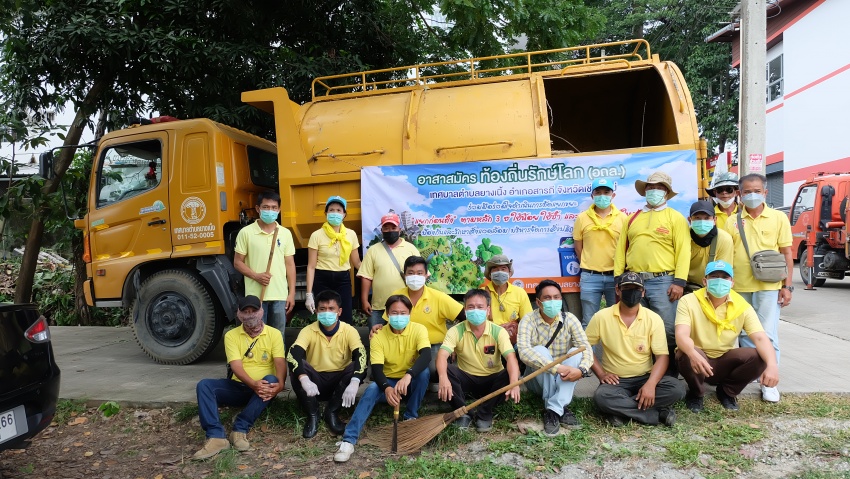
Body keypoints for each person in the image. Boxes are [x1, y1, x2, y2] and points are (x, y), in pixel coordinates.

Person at [334, 295, 431, 463]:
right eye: (394, 312)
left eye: (403, 313)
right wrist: (386, 387)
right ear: (387, 313)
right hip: (388, 382)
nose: (399, 317)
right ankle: (349, 440)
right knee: (372, 389)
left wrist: (408, 375)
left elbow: (426, 355)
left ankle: (410, 416)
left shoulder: (419, 329)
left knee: (424, 373)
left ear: (409, 313)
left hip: (409, 382)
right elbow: (377, 369)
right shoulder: (378, 335)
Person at [723, 173, 793, 403]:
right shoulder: (732, 221)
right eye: (747, 191)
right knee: (745, 334)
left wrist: (787, 286)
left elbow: (787, 253)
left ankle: (770, 381)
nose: (752, 195)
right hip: (739, 287)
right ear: (739, 194)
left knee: (767, 333)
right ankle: (752, 372)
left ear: (765, 192)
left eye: (756, 191)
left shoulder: (778, 218)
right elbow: (726, 255)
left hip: (769, 286)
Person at [675, 260, 780, 412]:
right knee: (684, 352)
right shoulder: (689, 301)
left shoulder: (742, 306)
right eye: (714, 276)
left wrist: (772, 365)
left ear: (732, 283)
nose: (719, 281)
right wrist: (692, 353)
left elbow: (760, 338)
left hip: (724, 361)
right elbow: (681, 334)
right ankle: (696, 393)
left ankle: (727, 392)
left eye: (724, 277)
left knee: (759, 356)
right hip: (697, 361)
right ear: (705, 281)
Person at [586, 272, 685, 427]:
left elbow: (662, 357)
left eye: (636, 289)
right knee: (602, 397)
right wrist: (601, 374)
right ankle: (657, 414)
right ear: (618, 290)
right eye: (627, 288)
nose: (632, 292)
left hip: (645, 376)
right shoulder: (601, 317)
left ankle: (619, 411)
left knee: (676, 389)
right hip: (616, 381)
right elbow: (584, 347)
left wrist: (651, 384)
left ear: (643, 292)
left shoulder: (653, 318)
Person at [193, 296, 285, 459]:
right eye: (246, 312)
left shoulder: (274, 334)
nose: (250, 315)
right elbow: (236, 367)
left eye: (254, 311)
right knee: (204, 385)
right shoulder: (231, 335)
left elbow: (280, 362)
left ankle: (240, 429)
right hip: (239, 387)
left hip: (263, 390)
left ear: (261, 311)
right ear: (239, 314)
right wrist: (253, 384)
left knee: (272, 380)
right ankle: (216, 437)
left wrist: (281, 384)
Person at [614, 170, 690, 366]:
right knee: (639, 326)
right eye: (651, 187)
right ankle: (644, 368)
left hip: (663, 281)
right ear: (645, 190)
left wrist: (679, 282)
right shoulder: (632, 218)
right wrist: (618, 278)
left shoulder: (675, 217)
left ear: (666, 192)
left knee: (668, 328)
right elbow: (621, 249)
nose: (654, 190)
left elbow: (683, 251)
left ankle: (670, 370)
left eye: (659, 188)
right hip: (634, 280)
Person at [436, 289, 521, 432]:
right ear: (465, 310)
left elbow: (510, 357)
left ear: (488, 310)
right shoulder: (456, 331)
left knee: (510, 374)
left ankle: (485, 413)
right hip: (467, 380)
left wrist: (515, 382)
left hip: (492, 382)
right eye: (471, 307)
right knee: (446, 370)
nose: (475, 310)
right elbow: (442, 355)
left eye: (480, 307)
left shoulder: (498, 331)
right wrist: (443, 378)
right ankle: (463, 413)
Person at [516, 279, 593, 436]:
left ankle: (552, 410)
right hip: (536, 379)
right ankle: (561, 407)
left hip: (563, 377)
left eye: (556, 297)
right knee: (540, 350)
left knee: (576, 351)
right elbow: (523, 352)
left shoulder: (570, 319)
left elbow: (585, 348)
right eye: (547, 298)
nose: (553, 301)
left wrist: (582, 370)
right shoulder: (528, 320)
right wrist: (557, 368)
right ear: (538, 302)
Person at [287, 290, 367, 439]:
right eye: (322, 309)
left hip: (340, 383)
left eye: (331, 309)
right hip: (314, 384)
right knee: (297, 366)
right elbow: (294, 353)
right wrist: (304, 379)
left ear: (339, 311)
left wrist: (355, 381)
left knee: (355, 366)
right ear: (316, 311)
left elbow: (361, 355)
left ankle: (332, 411)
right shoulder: (308, 331)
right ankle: (313, 414)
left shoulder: (349, 331)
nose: (327, 313)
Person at [373, 256, 464, 379]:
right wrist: (379, 328)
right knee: (383, 371)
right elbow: (388, 322)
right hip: (404, 344)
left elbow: (465, 318)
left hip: (433, 345)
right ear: (404, 276)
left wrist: (452, 344)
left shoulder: (439, 297)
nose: (415, 277)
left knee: (434, 371)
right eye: (410, 273)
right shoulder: (397, 295)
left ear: (426, 275)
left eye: (419, 273)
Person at [234, 191, 296, 330]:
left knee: (278, 337)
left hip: (280, 296)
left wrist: (291, 293)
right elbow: (237, 262)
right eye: (266, 207)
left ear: (279, 210)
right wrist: (256, 276)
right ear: (258, 209)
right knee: (257, 335)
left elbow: (290, 264)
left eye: (274, 208)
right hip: (255, 297)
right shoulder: (246, 232)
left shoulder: (285, 233)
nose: (270, 211)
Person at [574, 177, 627, 327]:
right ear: (592, 196)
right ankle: (590, 345)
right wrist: (588, 264)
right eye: (598, 192)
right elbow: (578, 246)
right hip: (590, 277)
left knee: (616, 319)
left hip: (615, 276)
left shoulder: (623, 218)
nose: (602, 195)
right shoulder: (582, 218)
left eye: (606, 192)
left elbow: (626, 246)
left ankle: (613, 344)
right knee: (589, 321)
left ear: (613, 195)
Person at [358, 213, 420, 328]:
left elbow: (420, 275)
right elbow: (366, 276)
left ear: (399, 230)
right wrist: (364, 300)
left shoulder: (411, 249)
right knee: (376, 336)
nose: (390, 231)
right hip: (379, 307)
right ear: (382, 230)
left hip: (405, 307)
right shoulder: (373, 250)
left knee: (406, 337)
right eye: (386, 228)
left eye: (393, 228)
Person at [306, 195, 361, 324]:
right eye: (331, 210)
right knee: (325, 317)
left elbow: (357, 262)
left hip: (343, 279)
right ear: (326, 213)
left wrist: (373, 275)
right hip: (322, 279)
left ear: (344, 214)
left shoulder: (351, 234)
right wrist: (309, 294)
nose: (335, 213)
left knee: (345, 317)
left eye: (338, 210)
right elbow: (311, 266)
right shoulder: (316, 235)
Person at [686, 200, 734, 292]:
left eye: (707, 218)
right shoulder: (683, 236)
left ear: (715, 220)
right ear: (689, 220)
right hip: (684, 285)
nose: (702, 222)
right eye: (697, 218)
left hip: (712, 286)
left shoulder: (724, 238)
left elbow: (723, 270)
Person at [483, 254, 532, 342]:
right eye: (495, 269)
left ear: (509, 273)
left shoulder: (519, 292)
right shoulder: (481, 293)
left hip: (513, 341)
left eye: (503, 269)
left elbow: (528, 321)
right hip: (488, 340)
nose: (499, 272)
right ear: (490, 274)